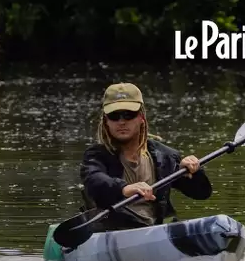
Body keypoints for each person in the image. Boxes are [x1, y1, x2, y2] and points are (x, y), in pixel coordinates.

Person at [80, 82, 212, 229]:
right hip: (114, 229)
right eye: (114, 116)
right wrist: (123, 189)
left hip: (156, 230)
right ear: (106, 121)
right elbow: (94, 180)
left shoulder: (165, 156)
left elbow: (202, 193)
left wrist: (193, 172)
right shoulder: (96, 156)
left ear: (141, 117)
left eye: (129, 115)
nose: (122, 122)